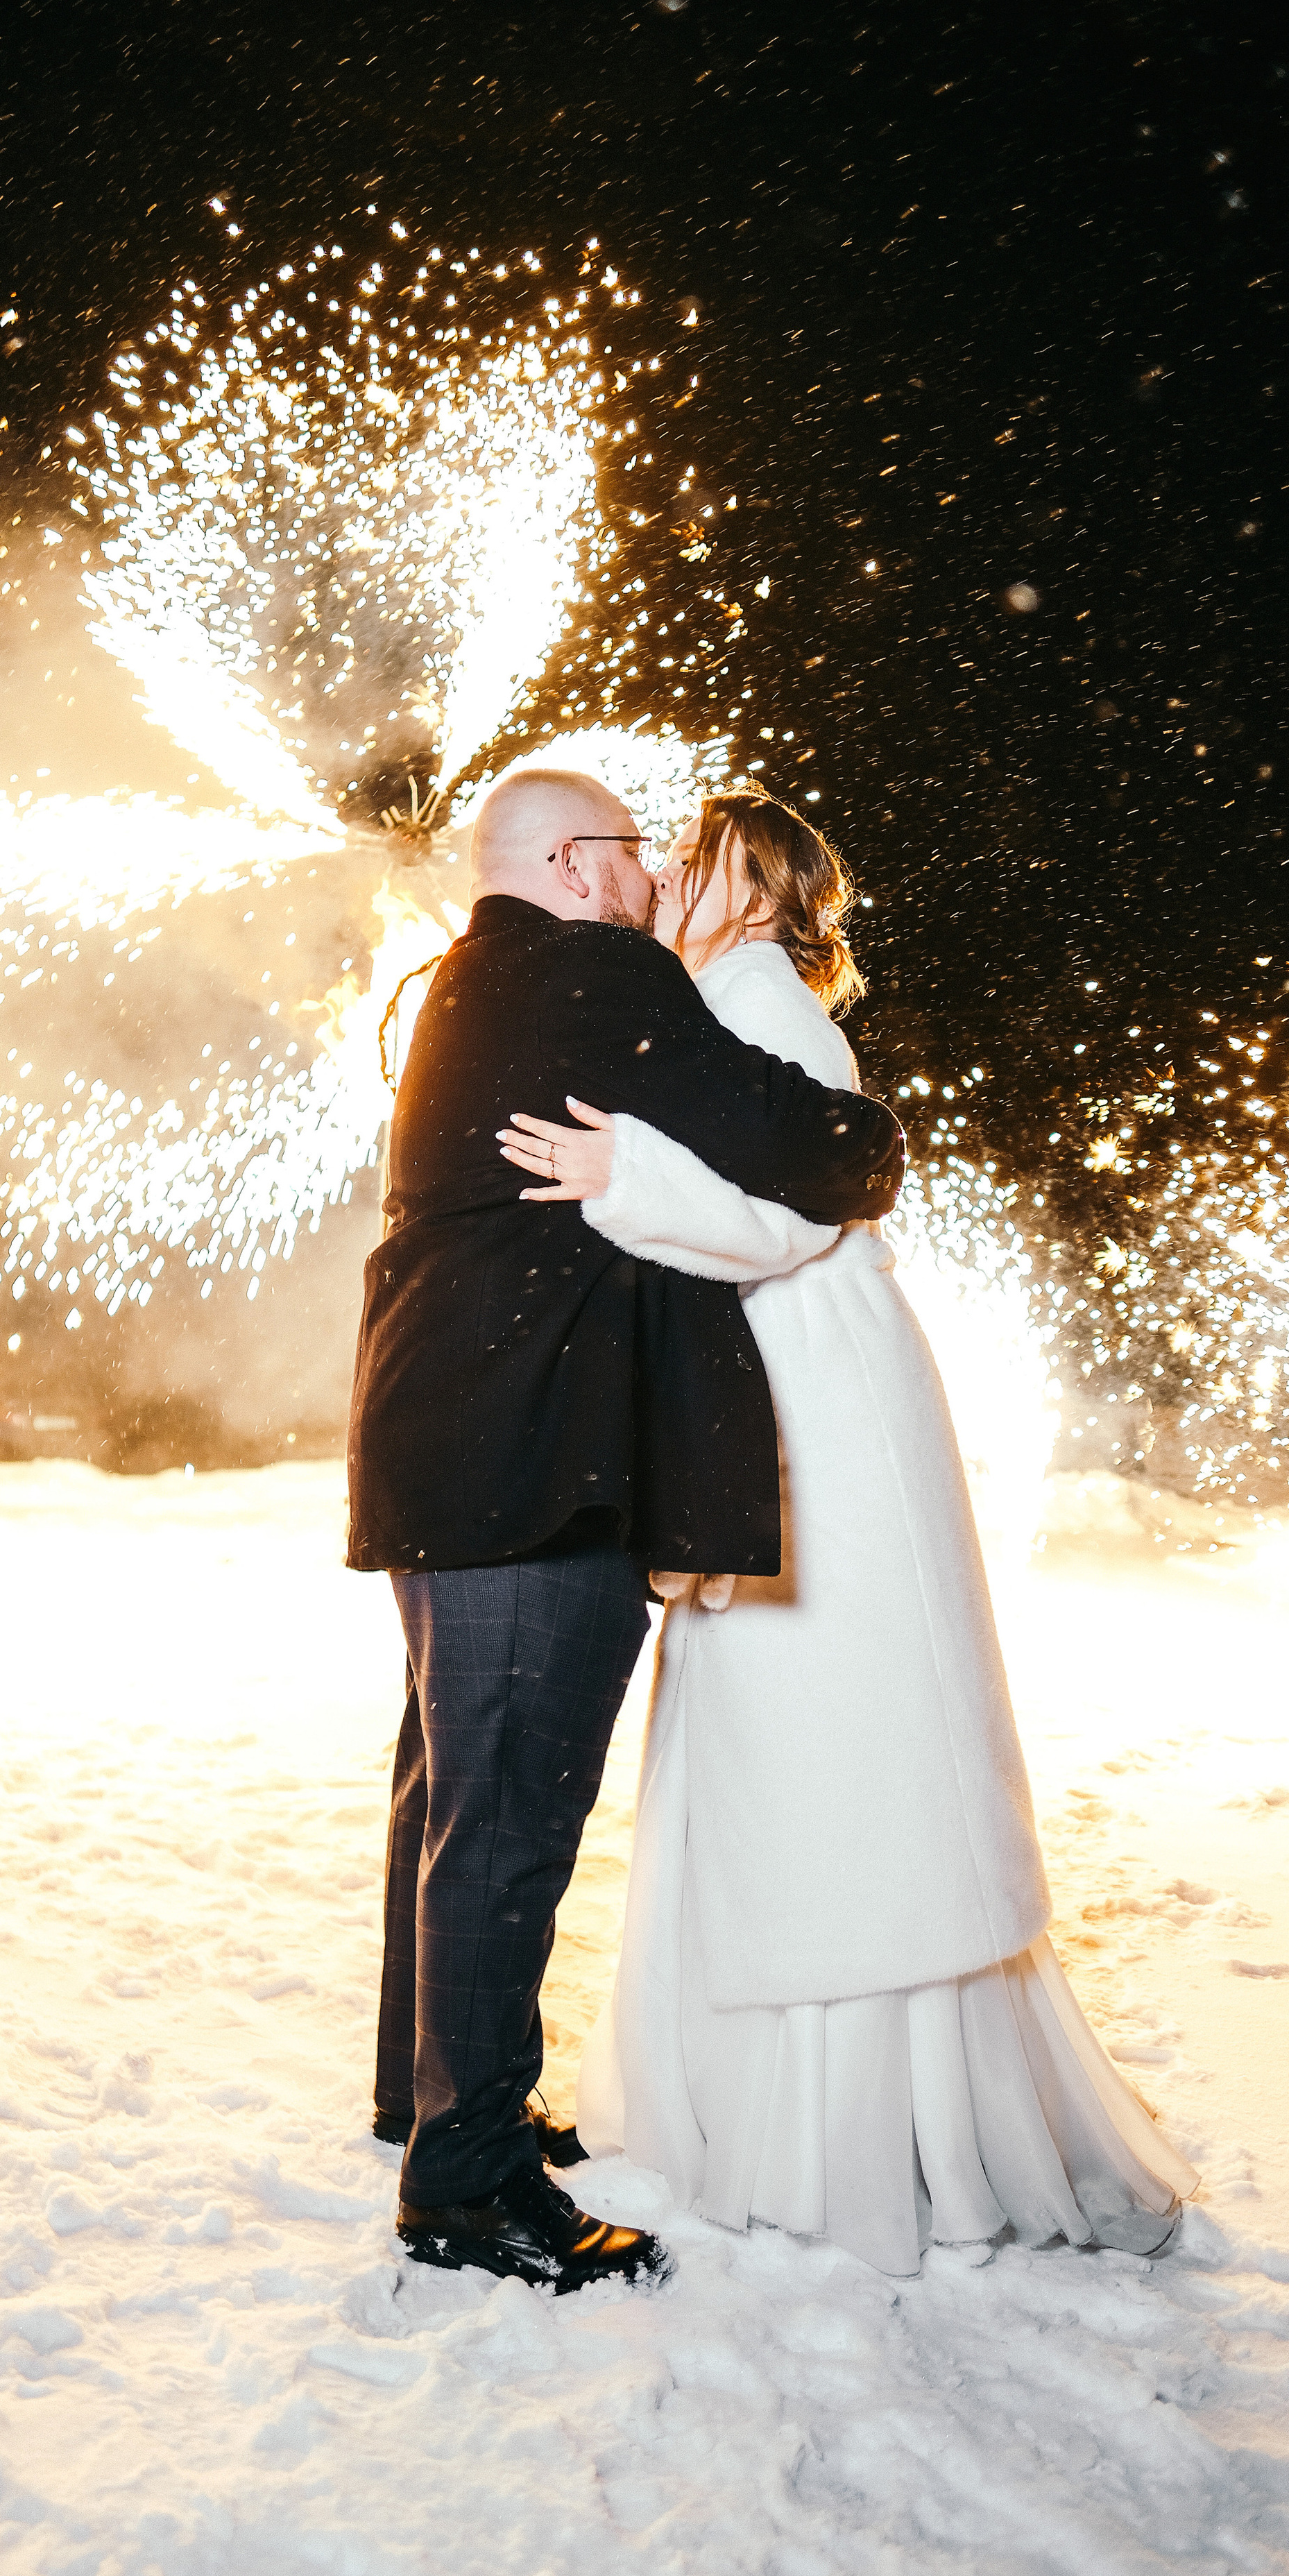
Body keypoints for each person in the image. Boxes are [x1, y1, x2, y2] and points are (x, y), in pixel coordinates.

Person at [499, 789, 1195, 2277]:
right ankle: (757, 2104)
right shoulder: (715, 1000)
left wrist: (622, 1181)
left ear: (760, 890)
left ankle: (851, 2128)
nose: (671, 870)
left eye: (700, 856)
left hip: (822, 1401)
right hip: (779, 1393)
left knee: (828, 1724)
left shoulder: (768, 1003)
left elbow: (796, 1211)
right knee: (768, 1723)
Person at [346, 766, 906, 2294]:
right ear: (579, 868)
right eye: (635, 854)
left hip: (445, 1449)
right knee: (508, 1817)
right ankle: (462, 2193)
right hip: (534, 1458)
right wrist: (866, 1142)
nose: (655, 878)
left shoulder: (472, 979)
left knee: (453, 1793)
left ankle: (431, 2097)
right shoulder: (590, 970)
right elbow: (817, 1148)